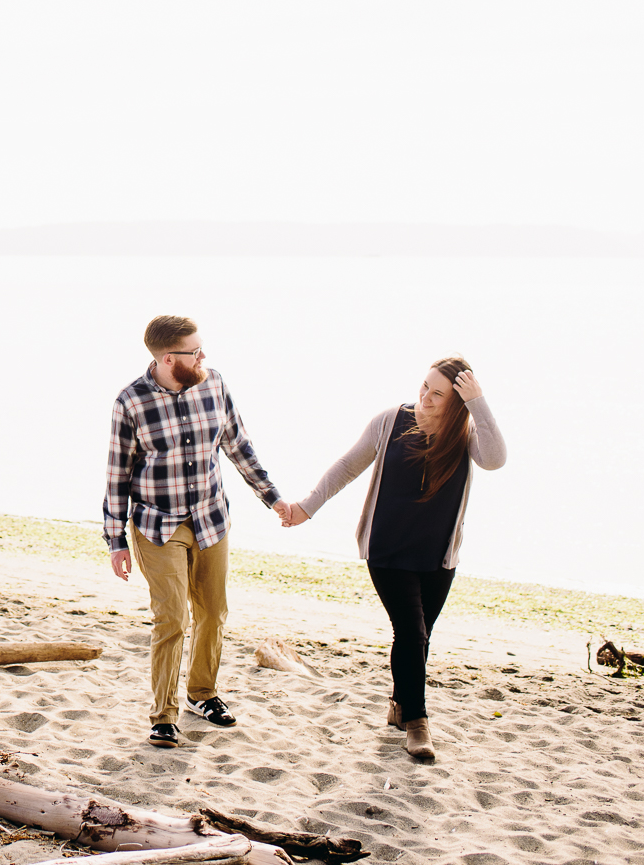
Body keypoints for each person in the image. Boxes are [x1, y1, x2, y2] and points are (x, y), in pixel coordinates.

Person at [277, 356, 506, 762]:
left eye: (438, 393)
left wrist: (479, 403)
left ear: (457, 402)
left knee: (420, 636)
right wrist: (307, 507)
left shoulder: (465, 432)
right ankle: (417, 723)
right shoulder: (390, 421)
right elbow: (349, 465)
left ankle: (400, 706)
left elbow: (494, 459)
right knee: (412, 633)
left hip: (437, 555)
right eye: (424, 386)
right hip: (387, 549)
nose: (426, 398)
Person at [105, 315, 293, 748]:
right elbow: (118, 475)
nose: (204, 356)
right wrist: (115, 541)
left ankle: (202, 694)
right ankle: (164, 715)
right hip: (158, 525)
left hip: (211, 519)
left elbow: (238, 446)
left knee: (212, 611)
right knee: (171, 618)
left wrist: (273, 498)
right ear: (169, 358)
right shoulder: (130, 403)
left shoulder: (215, 384)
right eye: (195, 351)